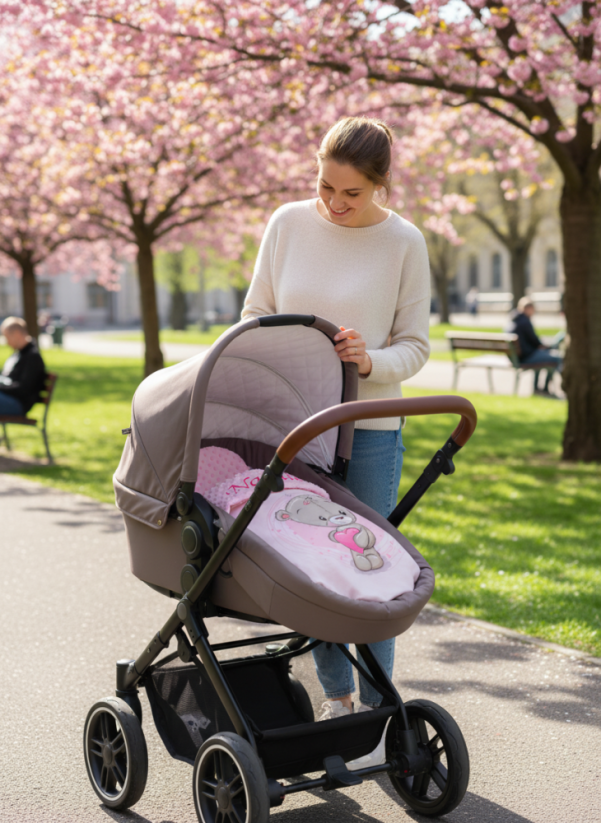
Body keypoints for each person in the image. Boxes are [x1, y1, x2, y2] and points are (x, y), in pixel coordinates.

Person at [241, 116, 431, 764]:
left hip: (371, 427)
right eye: (324, 186)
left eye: (350, 193)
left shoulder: (404, 242)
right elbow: (251, 315)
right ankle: (336, 698)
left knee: (371, 567)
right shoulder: (288, 224)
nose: (333, 204)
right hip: (294, 424)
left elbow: (416, 347)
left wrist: (369, 357)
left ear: (381, 184)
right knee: (311, 563)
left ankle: (381, 709)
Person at [507, 297, 562, 397]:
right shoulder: (525, 321)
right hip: (525, 358)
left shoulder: (513, 320)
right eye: (533, 309)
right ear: (528, 308)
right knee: (556, 358)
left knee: (541, 355)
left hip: (516, 357)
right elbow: (536, 342)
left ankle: (537, 388)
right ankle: (545, 388)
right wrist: (547, 346)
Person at [0, 317, 47, 416]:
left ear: (17, 334)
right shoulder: (18, 354)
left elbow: (23, 389)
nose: (6, 342)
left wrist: (2, 387)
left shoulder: (32, 357)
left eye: (7, 337)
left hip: (18, 403)